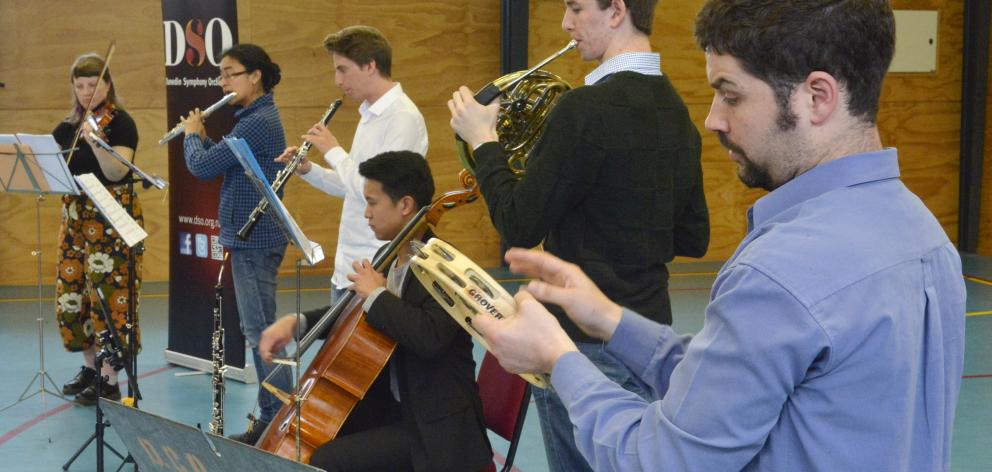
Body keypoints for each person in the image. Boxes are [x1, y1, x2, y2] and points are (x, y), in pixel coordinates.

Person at [470, 1, 967, 470]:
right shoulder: (927, 237)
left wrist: (559, 360)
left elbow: (663, 459)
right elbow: (730, 385)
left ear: (817, 97)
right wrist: (613, 321)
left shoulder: (779, 272)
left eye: (731, 95)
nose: (712, 119)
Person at [447, 0, 709, 469]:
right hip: (650, 337)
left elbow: (518, 225)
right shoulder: (676, 109)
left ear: (617, 11)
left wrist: (483, 140)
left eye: (576, 7)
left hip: (579, 345)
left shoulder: (583, 109)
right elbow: (694, 238)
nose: (566, 24)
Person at [258, 151, 491, 472]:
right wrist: (296, 323)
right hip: (391, 409)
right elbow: (354, 316)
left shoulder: (445, 267)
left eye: (372, 202)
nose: (365, 213)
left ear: (405, 205)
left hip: (434, 428)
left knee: (327, 461)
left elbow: (429, 337)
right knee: (303, 439)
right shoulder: (390, 253)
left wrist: (377, 295)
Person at [180, 43, 292, 443]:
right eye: (221, 74)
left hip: (256, 240)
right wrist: (205, 139)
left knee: (263, 332)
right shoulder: (251, 117)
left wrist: (192, 136)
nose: (222, 82)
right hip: (249, 238)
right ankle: (272, 416)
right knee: (258, 329)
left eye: (230, 73)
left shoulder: (257, 121)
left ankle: (277, 420)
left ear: (254, 76)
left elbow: (201, 166)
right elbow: (228, 162)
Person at [276, 25, 428, 306]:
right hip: (348, 264)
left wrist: (332, 150)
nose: (337, 80)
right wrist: (309, 170)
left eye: (343, 69)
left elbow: (376, 191)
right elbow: (352, 185)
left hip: (376, 265)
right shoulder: (369, 114)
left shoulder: (402, 118)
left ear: (370, 65)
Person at [54, 53, 143, 406]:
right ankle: (90, 368)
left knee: (110, 298)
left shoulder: (120, 124)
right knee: (73, 297)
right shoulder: (65, 128)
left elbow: (118, 172)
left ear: (107, 85)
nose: (87, 92)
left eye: (94, 84)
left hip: (109, 223)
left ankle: (110, 379)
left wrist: (95, 142)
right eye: (80, 85)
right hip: (75, 222)